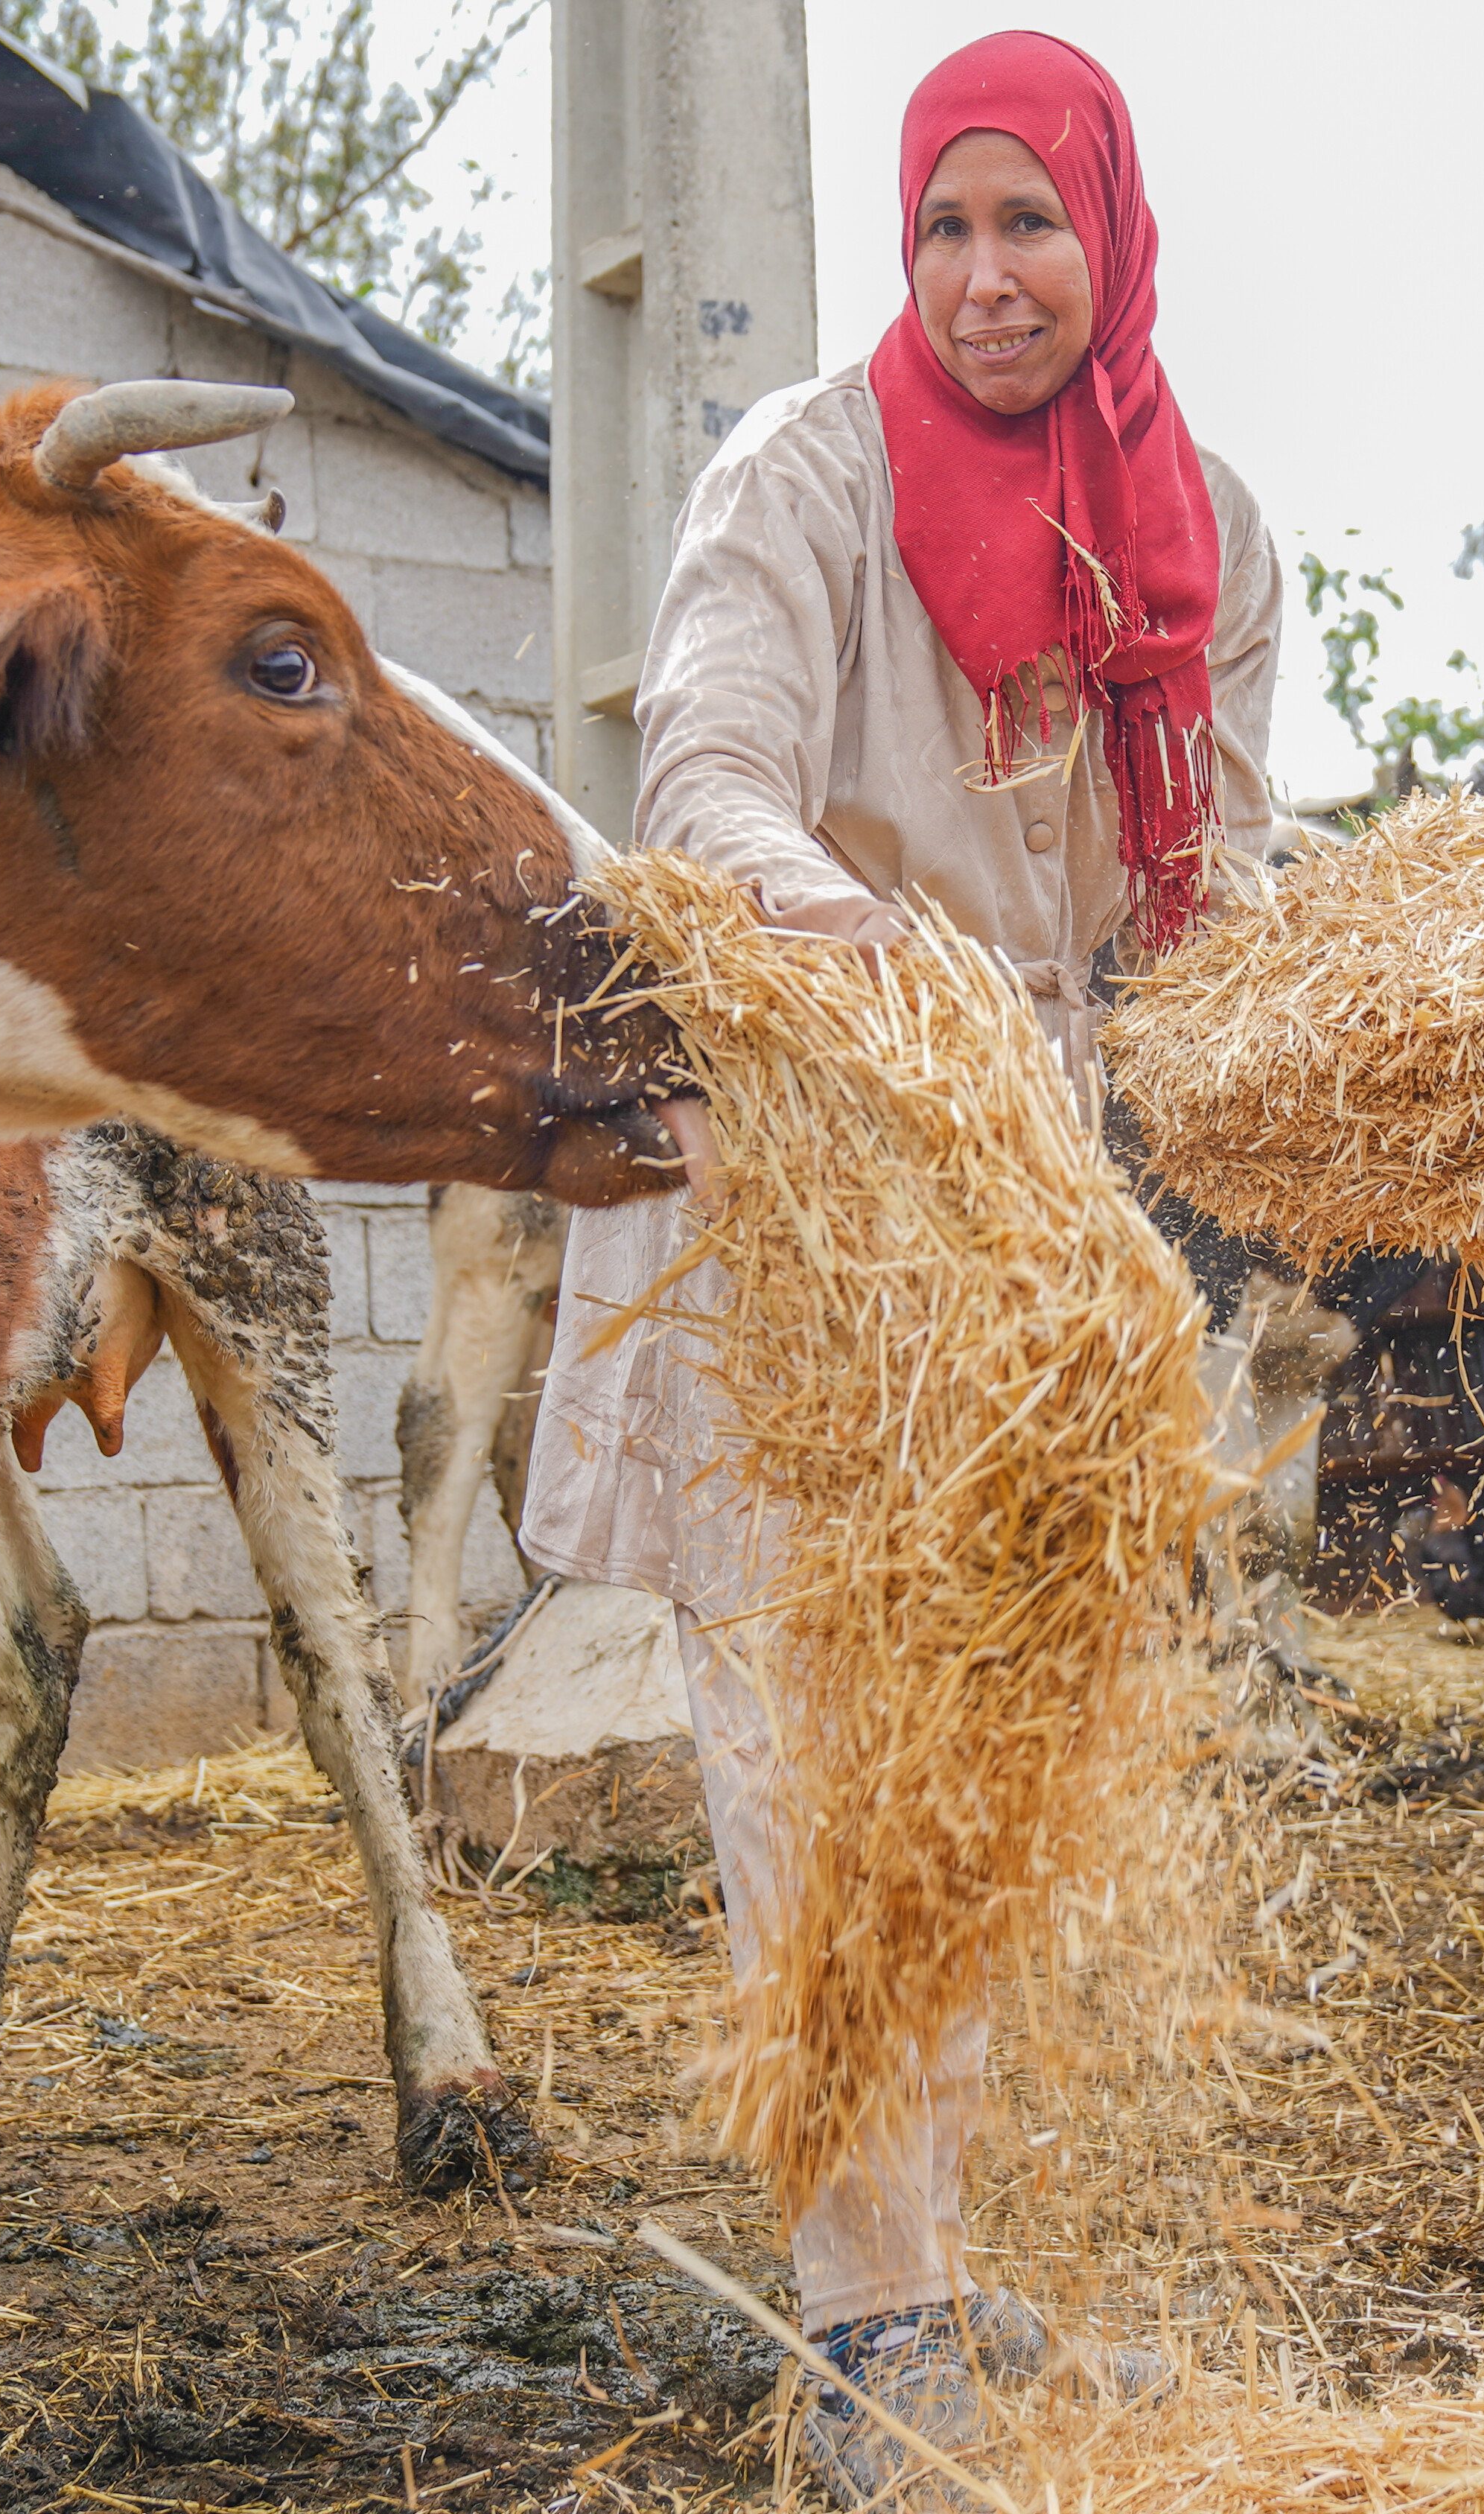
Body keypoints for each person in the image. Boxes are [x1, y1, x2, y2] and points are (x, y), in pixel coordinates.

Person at [519, 27, 1280, 2502]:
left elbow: (1228, 882)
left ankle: (932, 2267)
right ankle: (862, 2327)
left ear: (1110, 233)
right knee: (812, 1753)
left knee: (986, 1769)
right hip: (822, 1205)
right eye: (943, 228)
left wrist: (1306, 1020)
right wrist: (903, 984)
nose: (982, 277)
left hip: (1045, 1248)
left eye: (1027, 224)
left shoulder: (1206, 537)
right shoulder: (800, 478)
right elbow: (702, 786)